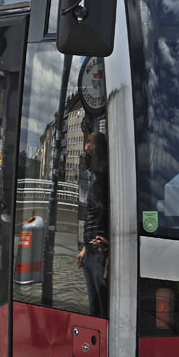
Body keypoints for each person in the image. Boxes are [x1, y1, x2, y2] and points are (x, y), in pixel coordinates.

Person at [77, 132, 109, 317]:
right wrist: (84, 247)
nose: (85, 159)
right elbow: (92, 217)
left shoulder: (111, 185)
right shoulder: (95, 182)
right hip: (90, 253)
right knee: (93, 309)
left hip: (100, 256)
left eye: (89, 154)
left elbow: (118, 218)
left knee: (102, 310)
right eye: (84, 154)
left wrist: (109, 251)